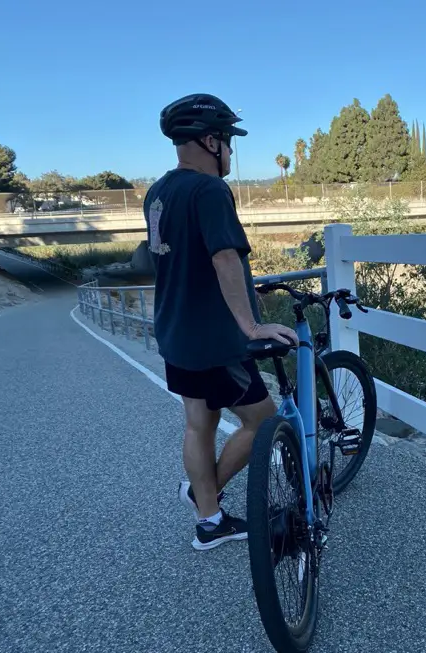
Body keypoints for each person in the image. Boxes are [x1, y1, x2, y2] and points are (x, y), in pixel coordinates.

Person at [143, 93, 297, 551]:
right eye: (228, 140)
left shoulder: (159, 192)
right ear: (211, 141)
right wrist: (251, 326)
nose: (230, 150)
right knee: (261, 421)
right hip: (214, 338)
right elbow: (224, 257)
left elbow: (170, 257)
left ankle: (209, 519)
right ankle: (201, 496)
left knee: (198, 422)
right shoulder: (209, 191)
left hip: (176, 331)